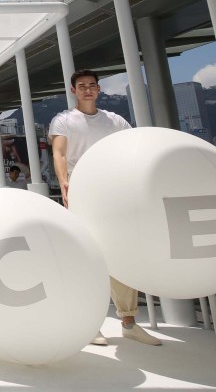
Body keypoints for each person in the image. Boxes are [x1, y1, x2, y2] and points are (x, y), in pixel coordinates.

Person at [49, 69, 161, 347]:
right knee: (87, 254)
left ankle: (129, 322)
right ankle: (91, 324)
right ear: (73, 90)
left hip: (114, 190)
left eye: (92, 85)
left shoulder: (116, 120)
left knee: (122, 253)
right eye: (81, 86)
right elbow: (59, 153)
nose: (87, 89)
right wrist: (64, 183)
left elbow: (132, 148)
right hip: (81, 189)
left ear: (98, 89)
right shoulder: (64, 120)